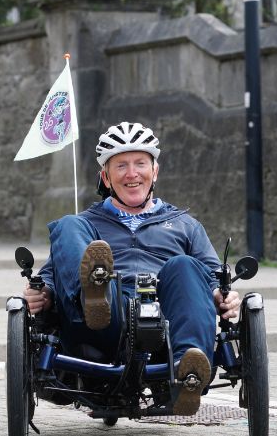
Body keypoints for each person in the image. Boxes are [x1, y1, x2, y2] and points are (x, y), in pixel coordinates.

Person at [22, 121, 240, 416]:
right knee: (69, 224)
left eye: (140, 163)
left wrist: (223, 295)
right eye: (121, 165)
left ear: (155, 171)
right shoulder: (86, 224)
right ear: (106, 177)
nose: (132, 173)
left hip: (165, 319)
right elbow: (52, 272)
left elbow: (213, 274)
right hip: (101, 321)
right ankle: (94, 291)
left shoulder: (184, 224)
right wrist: (42, 291)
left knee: (185, 265)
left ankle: (188, 367)